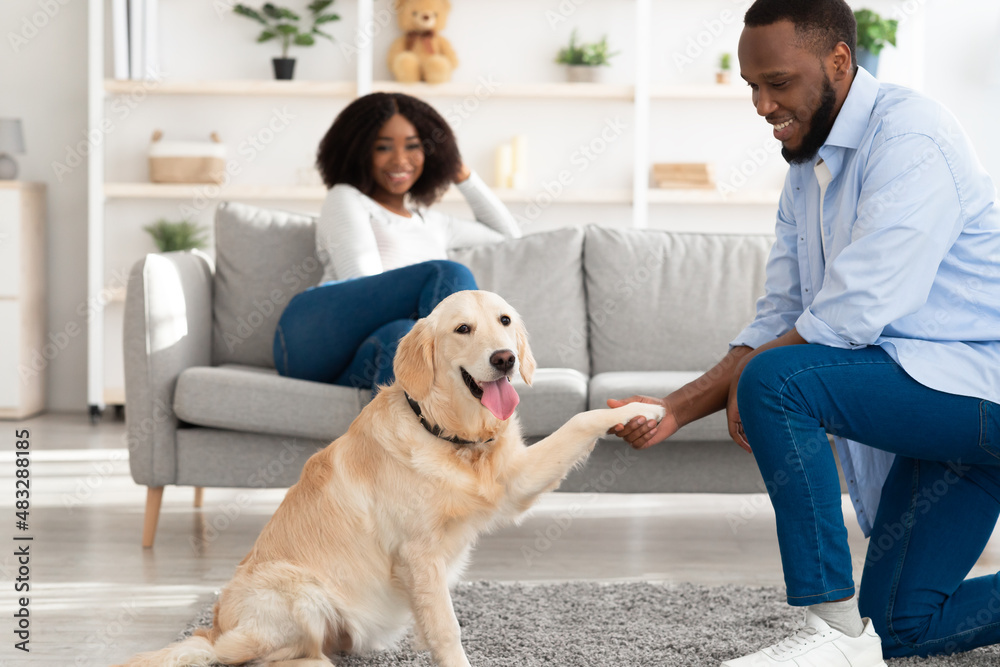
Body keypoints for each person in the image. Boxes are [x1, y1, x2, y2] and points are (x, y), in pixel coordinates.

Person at [609, 0, 1000, 664]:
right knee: (902, 625)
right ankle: (862, 632)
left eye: (779, 82)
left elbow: (855, 309)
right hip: (939, 411)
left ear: (839, 61)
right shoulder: (806, 167)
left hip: (978, 392)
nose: (762, 103)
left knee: (774, 378)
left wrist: (757, 385)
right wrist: (674, 409)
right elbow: (778, 313)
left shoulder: (910, 138)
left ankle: (833, 633)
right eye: (752, 86)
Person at [273, 92, 521, 390]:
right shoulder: (346, 198)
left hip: (356, 358)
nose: (400, 160)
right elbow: (361, 280)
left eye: (414, 146)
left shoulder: (432, 222)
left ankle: (415, 433)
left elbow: (509, 237)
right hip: (310, 335)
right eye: (383, 147)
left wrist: (462, 174)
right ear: (358, 152)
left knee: (402, 339)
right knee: (449, 273)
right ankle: (478, 363)